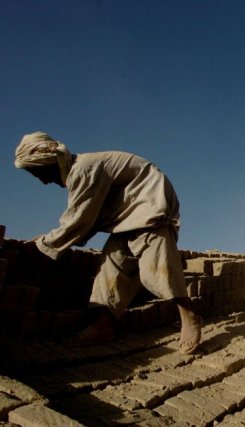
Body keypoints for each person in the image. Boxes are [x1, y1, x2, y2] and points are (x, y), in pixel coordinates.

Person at [14, 131, 201, 353]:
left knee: (157, 267)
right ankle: (103, 326)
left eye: (39, 173)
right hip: (126, 214)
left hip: (149, 201)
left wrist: (43, 246)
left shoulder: (83, 170)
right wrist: (47, 240)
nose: (43, 182)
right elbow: (85, 219)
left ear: (51, 161)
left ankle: (189, 315)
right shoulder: (80, 172)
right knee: (111, 268)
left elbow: (80, 220)